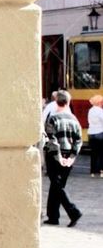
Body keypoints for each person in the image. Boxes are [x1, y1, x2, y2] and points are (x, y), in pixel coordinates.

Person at [43, 90, 83, 226]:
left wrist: (58, 156)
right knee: (57, 185)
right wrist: (72, 157)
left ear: (56, 101)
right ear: (68, 102)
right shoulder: (74, 119)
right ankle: (53, 216)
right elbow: (78, 140)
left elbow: (52, 139)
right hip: (68, 153)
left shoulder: (52, 118)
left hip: (54, 155)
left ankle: (73, 211)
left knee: (57, 185)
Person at [88, 93, 103, 177]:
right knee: (101, 153)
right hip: (100, 132)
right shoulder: (100, 111)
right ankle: (101, 170)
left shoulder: (90, 110)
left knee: (94, 153)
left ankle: (92, 171)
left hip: (91, 133)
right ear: (99, 102)